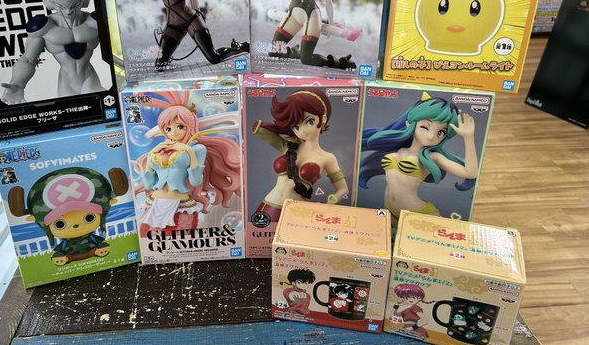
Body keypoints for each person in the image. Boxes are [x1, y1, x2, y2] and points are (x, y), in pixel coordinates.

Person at [133, 91, 241, 236]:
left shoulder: (196, 149)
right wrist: (153, 152)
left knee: (179, 237)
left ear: (189, 126)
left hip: (180, 204)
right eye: (168, 129)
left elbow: (195, 181)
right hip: (155, 202)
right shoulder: (160, 150)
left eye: (180, 127)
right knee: (148, 237)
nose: (174, 132)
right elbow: (148, 185)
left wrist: (188, 151)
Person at [359, 93, 477, 223]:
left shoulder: (433, 157)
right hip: (389, 211)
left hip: (417, 213)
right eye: (425, 127)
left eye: (441, 132)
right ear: (409, 124)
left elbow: (470, 173)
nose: (431, 136)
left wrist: (468, 137)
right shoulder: (401, 149)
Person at [1, 0, 105, 104]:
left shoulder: (95, 21)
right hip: (65, 84)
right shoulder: (43, 27)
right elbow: (28, 59)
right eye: (60, 5)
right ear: (49, 1)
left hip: (90, 79)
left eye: (75, 4)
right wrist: (18, 83)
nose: (68, 11)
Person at [251, 89, 348, 225]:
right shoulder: (288, 146)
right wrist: (284, 127)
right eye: (296, 126)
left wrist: (331, 201)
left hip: (297, 212)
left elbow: (343, 189)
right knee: (260, 237)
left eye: (309, 121)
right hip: (268, 206)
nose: (302, 131)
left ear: (323, 118)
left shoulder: (328, 158)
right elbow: (258, 129)